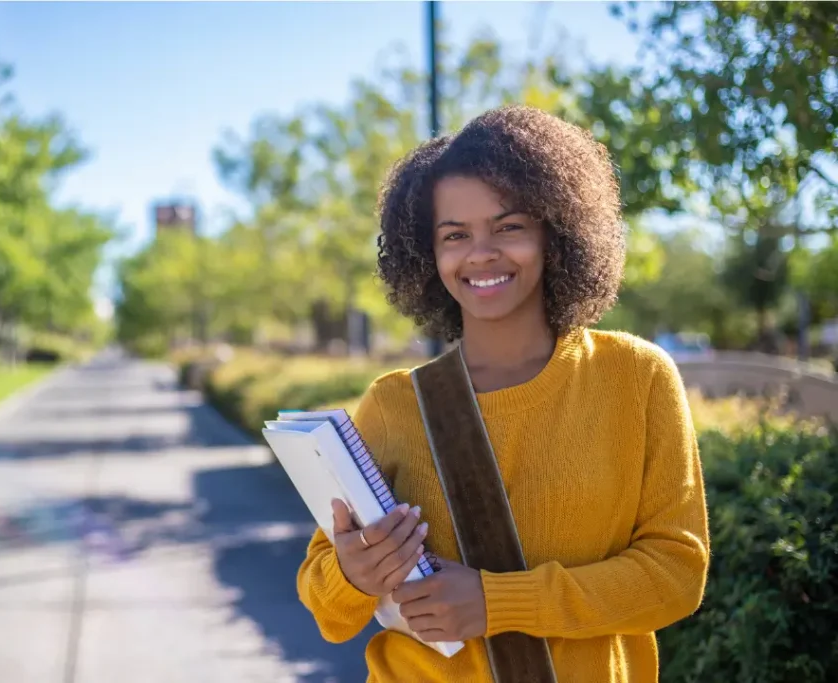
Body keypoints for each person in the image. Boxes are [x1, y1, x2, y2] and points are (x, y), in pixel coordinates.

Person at [295, 105, 710, 682]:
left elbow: (676, 576)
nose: (480, 253)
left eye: (508, 226)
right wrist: (353, 573)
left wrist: (496, 603)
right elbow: (328, 609)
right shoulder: (394, 405)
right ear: (428, 254)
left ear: (555, 233)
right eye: (454, 235)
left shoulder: (637, 377)